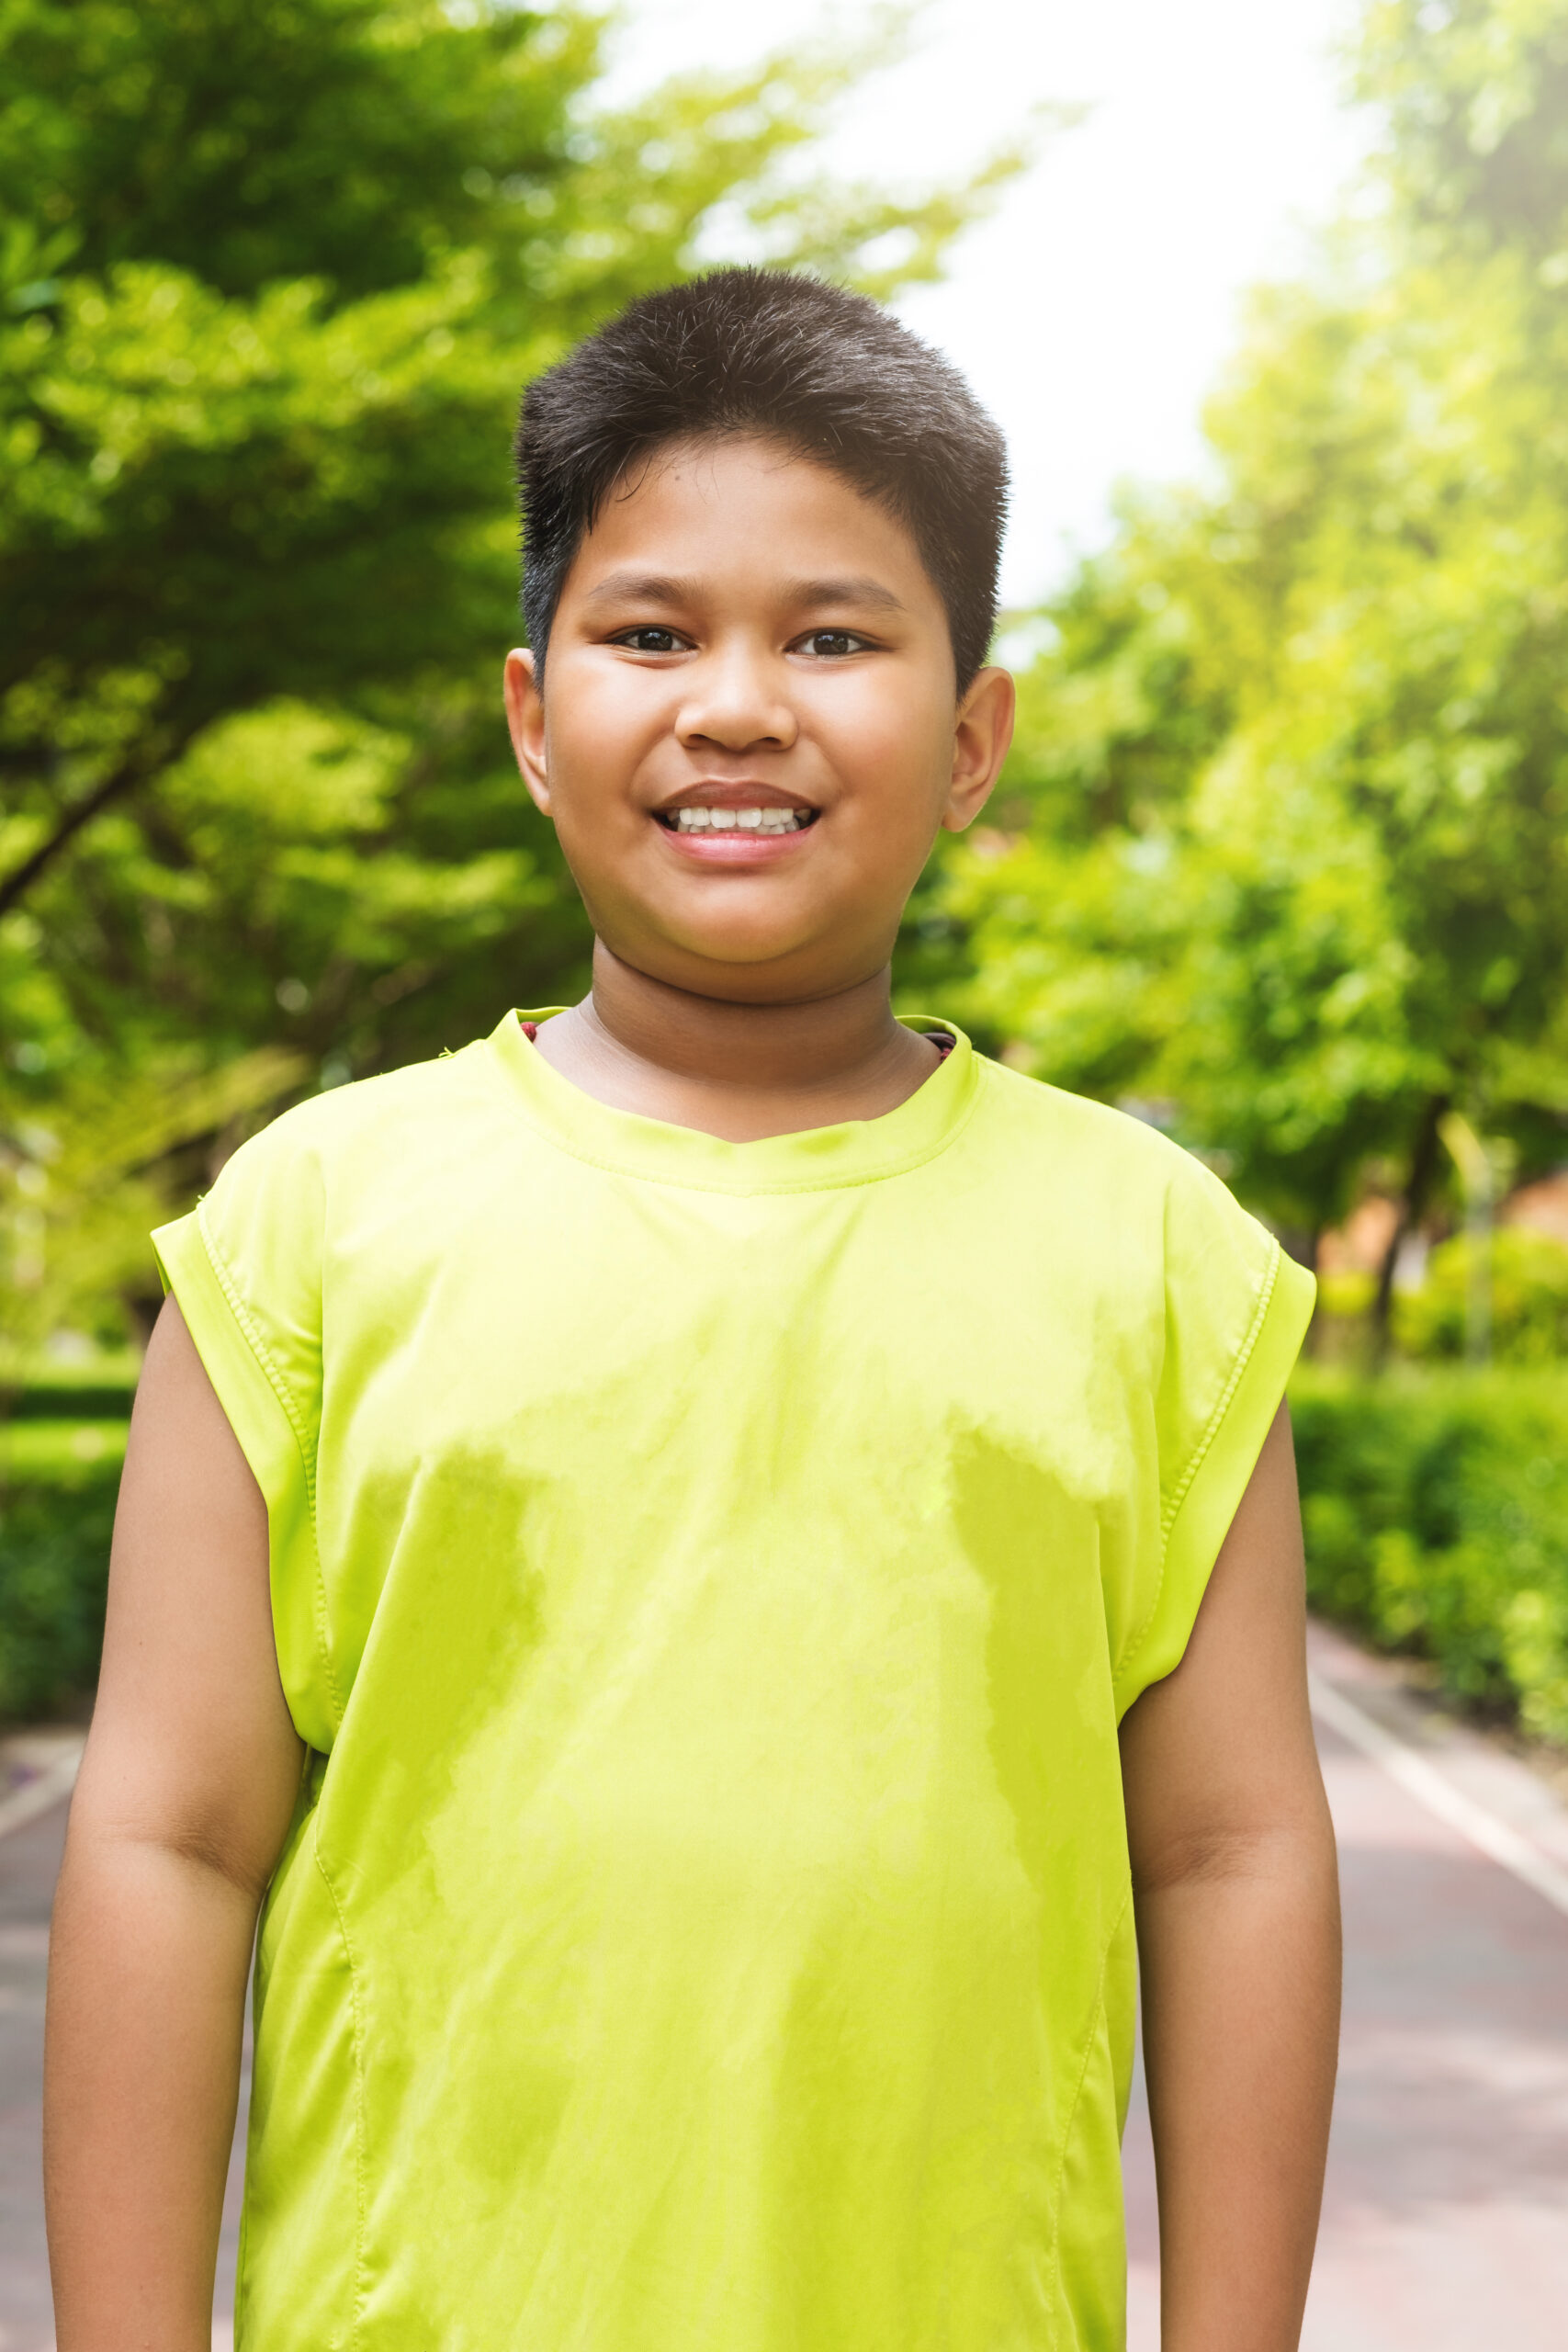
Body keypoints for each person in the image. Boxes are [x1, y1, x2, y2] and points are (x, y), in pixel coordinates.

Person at [43, 267, 1339, 2351]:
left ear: (972, 739)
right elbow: (168, 1841)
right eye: (651, 633)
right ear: (532, 718)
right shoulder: (310, 1230)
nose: (735, 704)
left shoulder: (1160, 1261)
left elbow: (1230, 1856)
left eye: (833, 636)